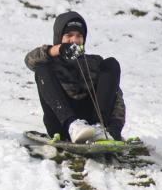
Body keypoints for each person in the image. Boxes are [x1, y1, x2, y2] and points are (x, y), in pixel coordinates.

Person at [24, 11, 126, 143]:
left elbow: (116, 96)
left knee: (111, 64)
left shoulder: (94, 62)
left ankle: (99, 128)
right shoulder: (50, 61)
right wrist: (58, 49)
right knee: (42, 68)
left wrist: (115, 129)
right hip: (62, 124)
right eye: (69, 35)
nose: (74, 40)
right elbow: (30, 60)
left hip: (92, 127)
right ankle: (73, 125)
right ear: (59, 37)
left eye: (79, 36)